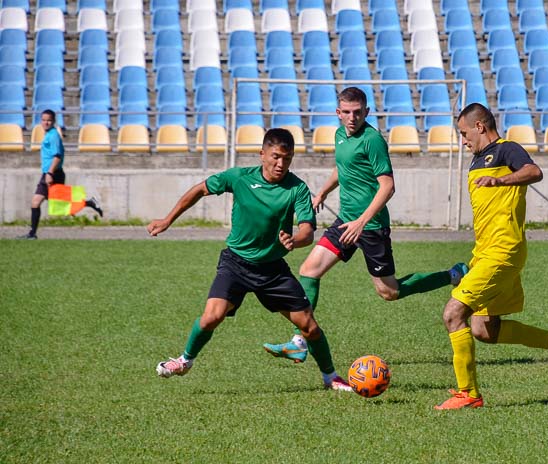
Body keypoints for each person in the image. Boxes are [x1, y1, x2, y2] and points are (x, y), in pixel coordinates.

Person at [263, 87, 467, 363]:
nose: (351, 117)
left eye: (357, 112)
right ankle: (299, 341)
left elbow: (388, 186)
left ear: (366, 112)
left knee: (389, 292)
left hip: (370, 227)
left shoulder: (373, 140)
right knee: (309, 271)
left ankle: (453, 275)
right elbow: (343, 167)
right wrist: (322, 192)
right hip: (345, 222)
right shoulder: (339, 135)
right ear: (338, 113)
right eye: (346, 112)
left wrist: (362, 221)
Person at [149, 128, 352, 391]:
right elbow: (200, 190)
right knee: (212, 317)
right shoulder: (239, 177)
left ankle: (330, 378)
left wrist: (295, 241)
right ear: (262, 154)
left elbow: (307, 231)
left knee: (309, 327)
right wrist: (167, 220)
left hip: (272, 270)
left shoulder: (297, 189)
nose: (281, 164)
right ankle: (185, 361)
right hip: (236, 264)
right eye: (276, 157)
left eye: (287, 159)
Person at [434, 103, 548, 410]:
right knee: (484, 330)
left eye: (464, 133)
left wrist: (501, 180)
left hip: (503, 252)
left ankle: (468, 394)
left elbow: (534, 171)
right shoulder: (476, 161)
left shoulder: (507, 150)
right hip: (485, 254)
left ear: (480, 126)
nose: (462, 140)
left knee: (453, 314)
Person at [17, 109, 102, 240]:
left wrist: (50, 173)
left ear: (53, 121)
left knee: (48, 202)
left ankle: (32, 234)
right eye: (44, 120)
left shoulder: (53, 135)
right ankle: (90, 203)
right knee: (48, 202)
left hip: (53, 173)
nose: (46, 122)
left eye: (49, 120)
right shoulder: (50, 134)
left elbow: (57, 156)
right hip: (49, 173)